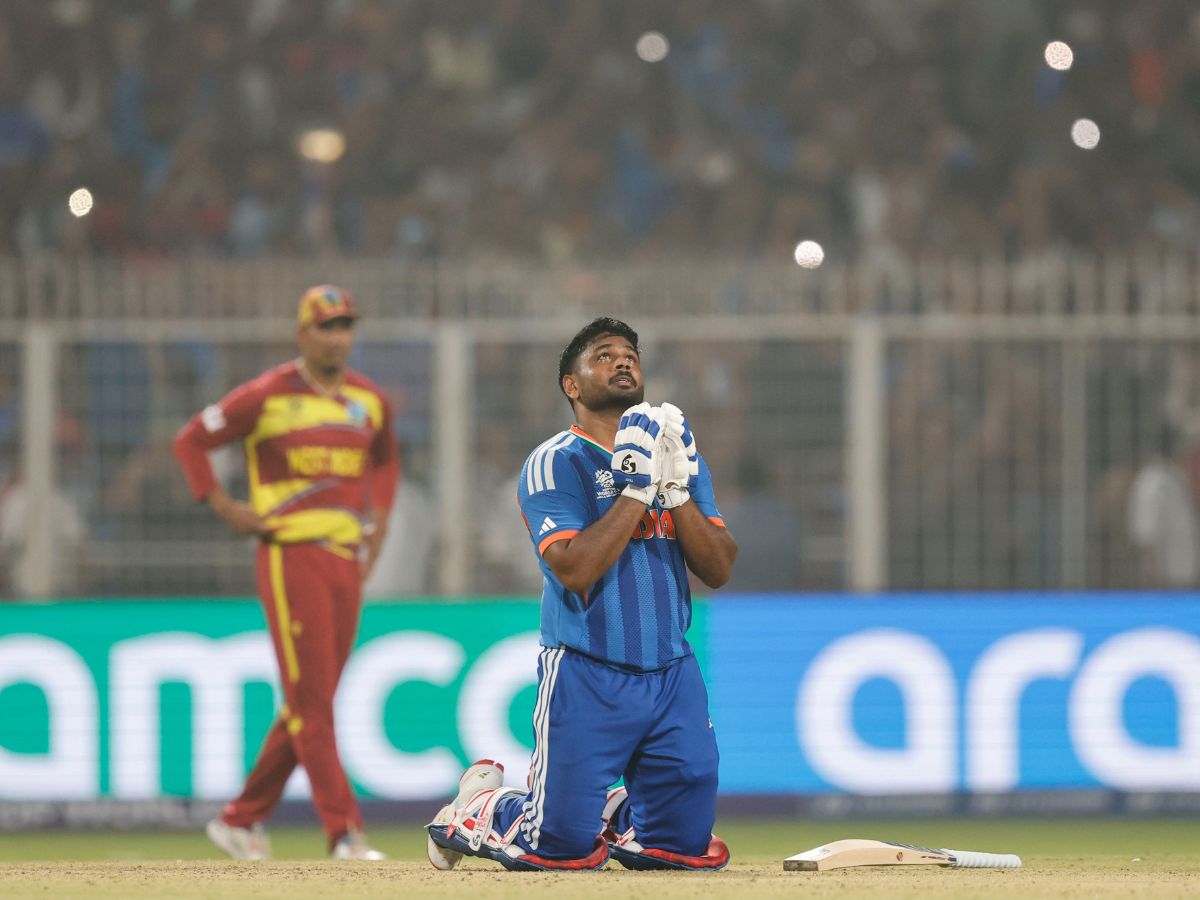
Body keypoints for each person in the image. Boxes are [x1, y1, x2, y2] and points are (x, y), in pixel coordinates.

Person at [426, 316, 738, 871]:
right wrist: (637, 491)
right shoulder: (556, 461)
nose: (623, 361)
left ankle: (616, 810)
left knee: (680, 847)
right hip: (587, 670)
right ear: (571, 385)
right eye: (604, 355)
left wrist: (676, 490)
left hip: (671, 671)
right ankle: (477, 807)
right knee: (558, 848)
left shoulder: (677, 455)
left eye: (630, 354)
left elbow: (718, 568)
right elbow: (574, 570)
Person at [172, 284, 399, 860]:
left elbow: (386, 462)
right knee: (312, 704)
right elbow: (191, 441)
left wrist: (379, 527)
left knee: (308, 701)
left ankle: (239, 819)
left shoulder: (370, 401)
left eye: (345, 325)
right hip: (289, 554)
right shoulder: (267, 395)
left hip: (344, 559)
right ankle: (345, 833)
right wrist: (225, 507)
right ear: (302, 333)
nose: (337, 337)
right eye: (326, 326)